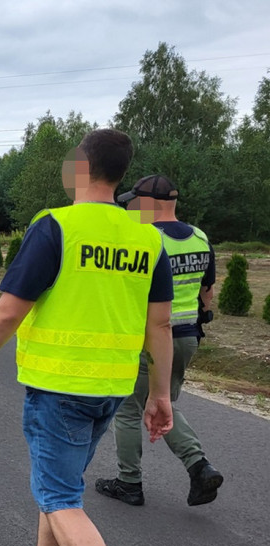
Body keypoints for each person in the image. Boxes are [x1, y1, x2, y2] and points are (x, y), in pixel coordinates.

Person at [0, 129, 175, 546]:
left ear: (81, 167)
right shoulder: (148, 239)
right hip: (111, 388)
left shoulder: (55, 226)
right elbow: (161, 325)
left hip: (59, 388)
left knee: (58, 495)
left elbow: (10, 309)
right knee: (63, 485)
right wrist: (159, 395)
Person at [96, 175, 224, 507]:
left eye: (135, 202)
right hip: (186, 338)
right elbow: (207, 291)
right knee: (164, 402)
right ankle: (199, 467)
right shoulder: (199, 237)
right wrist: (201, 317)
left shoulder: (145, 238)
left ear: (149, 204)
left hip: (149, 337)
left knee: (127, 408)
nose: (131, 207)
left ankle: (130, 481)